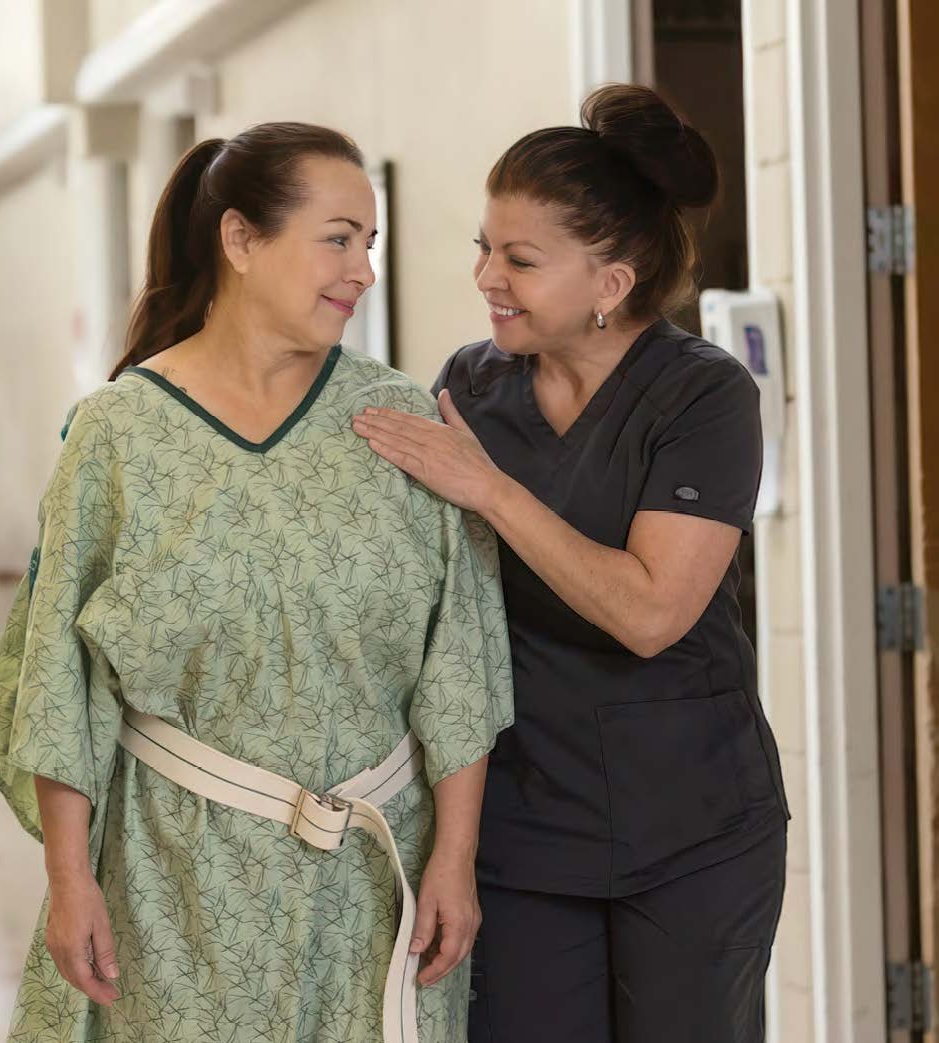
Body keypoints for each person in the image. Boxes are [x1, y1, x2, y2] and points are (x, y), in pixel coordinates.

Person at [0, 122, 513, 1043]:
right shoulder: (119, 434)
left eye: (370, 244)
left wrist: (453, 859)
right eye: (338, 238)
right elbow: (58, 682)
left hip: (370, 883)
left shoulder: (399, 421)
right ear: (240, 240)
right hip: (173, 879)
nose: (362, 272)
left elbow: (460, 661)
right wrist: (71, 880)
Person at [353, 85, 790, 1043]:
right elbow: (427, 600)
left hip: (693, 828)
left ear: (610, 283)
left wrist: (494, 490)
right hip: (523, 826)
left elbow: (649, 613)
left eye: (520, 259)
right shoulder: (473, 383)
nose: (486, 277)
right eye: (483, 246)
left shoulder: (703, 396)